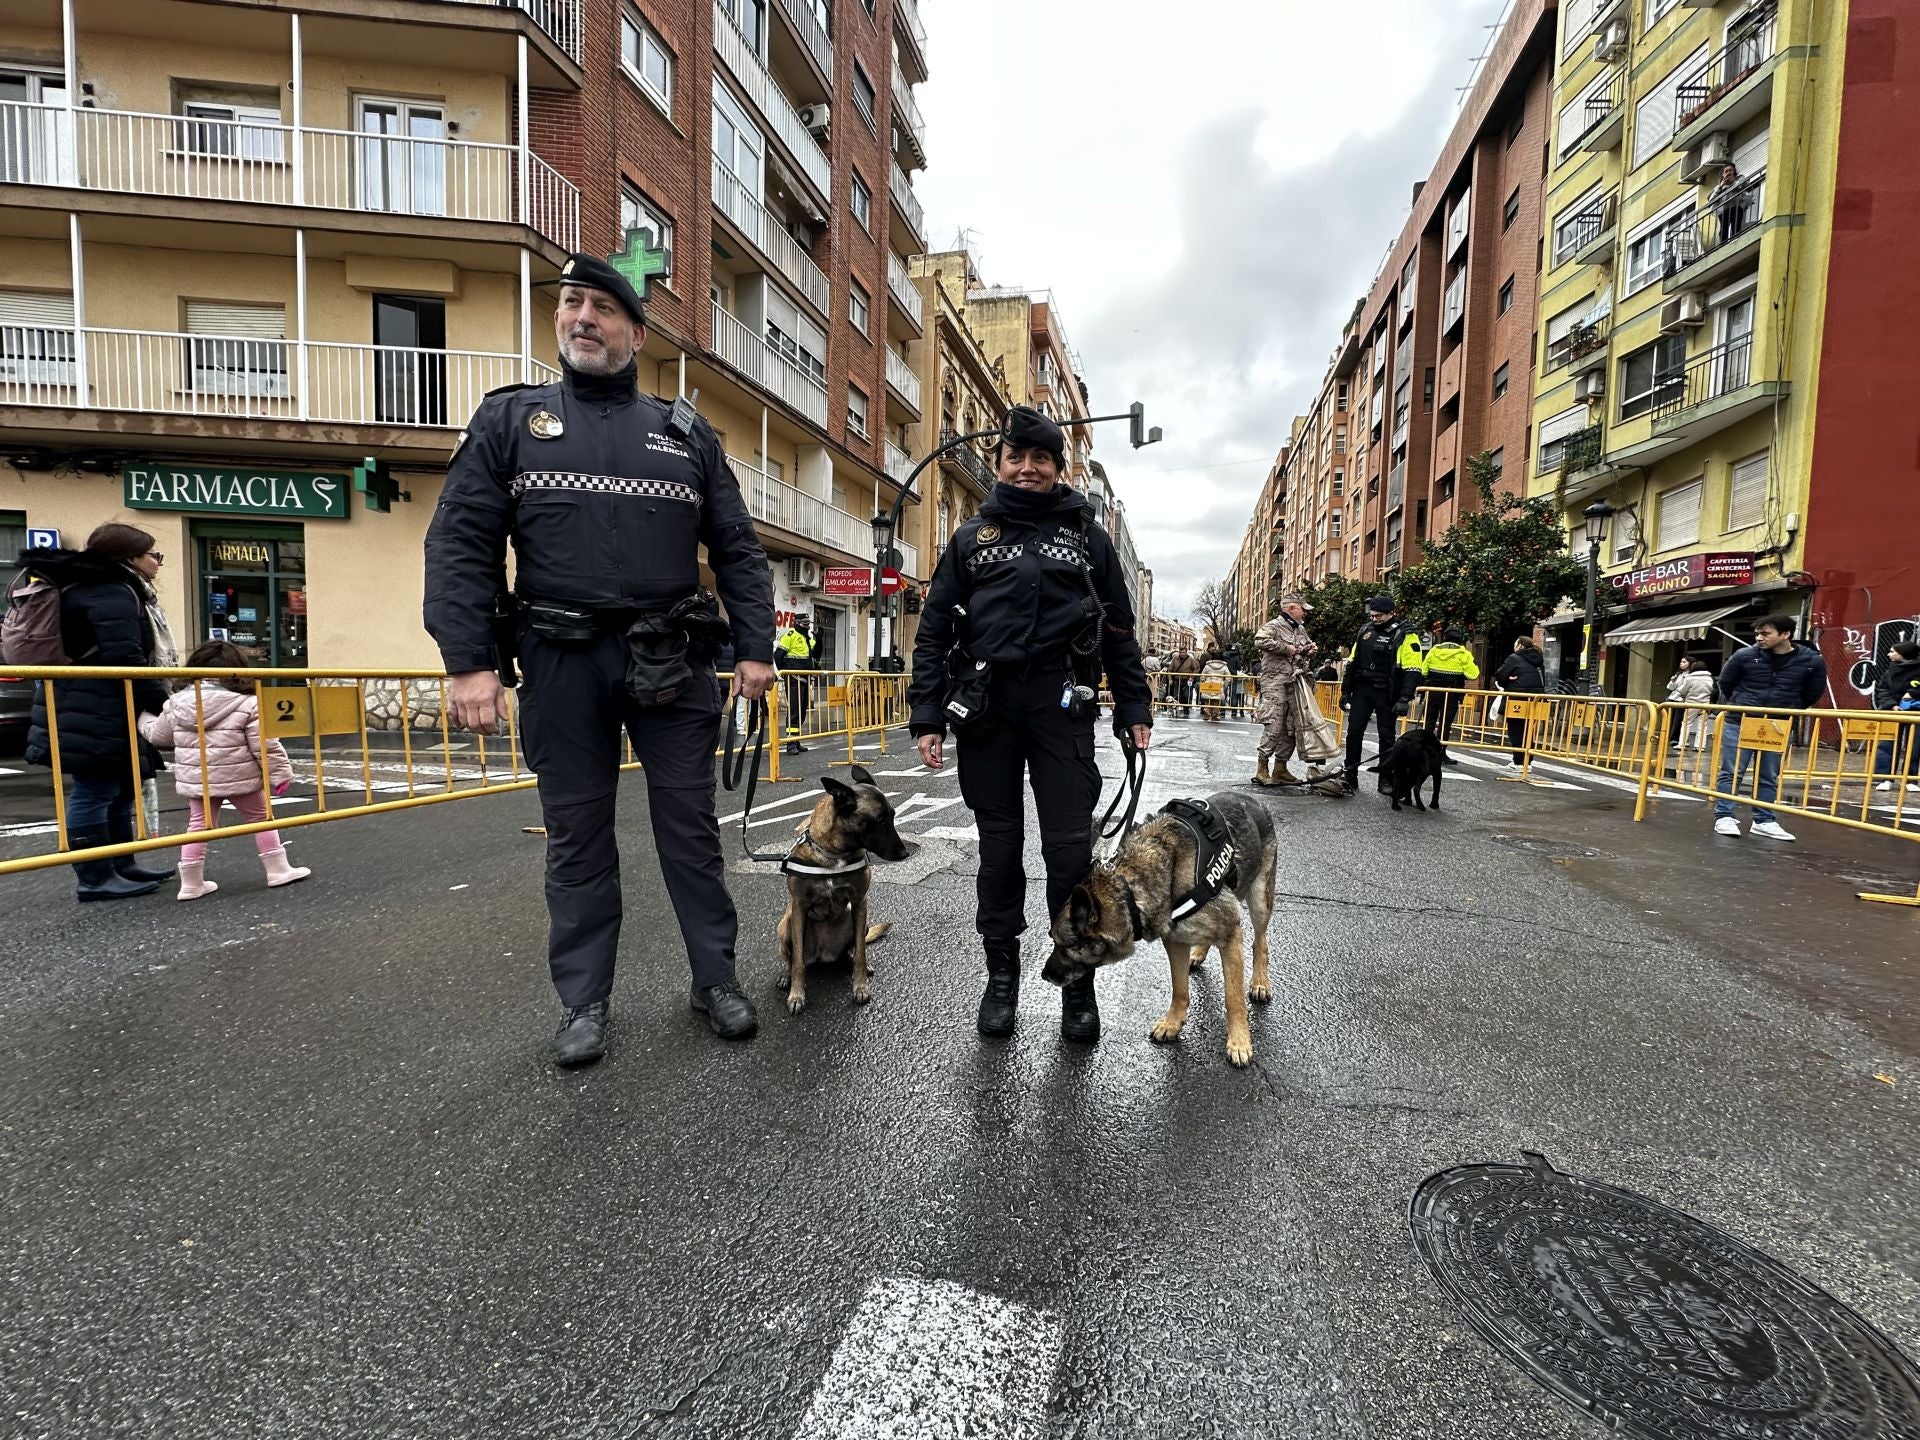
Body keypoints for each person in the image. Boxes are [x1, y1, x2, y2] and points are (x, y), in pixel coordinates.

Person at [424, 249, 776, 1065]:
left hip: (669, 659)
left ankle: (714, 977)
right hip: (558, 656)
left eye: (602, 308)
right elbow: (461, 543)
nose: (582, 318)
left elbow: (738, 548)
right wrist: (468, 660)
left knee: (690, 831)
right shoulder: (512, 421)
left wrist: (755, 648)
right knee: (577, 837)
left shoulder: (687, 434)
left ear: (636, 330)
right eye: (571, 304)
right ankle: (584, 1000)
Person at [908, 405, 1153, 1045]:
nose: (1026, 469)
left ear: (1056, 467)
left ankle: (1078, 986)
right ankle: (1001, 980)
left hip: (1059, 705)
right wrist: (927, 715)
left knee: (1069, 849)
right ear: (999, 465)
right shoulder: (970, 538)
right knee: (998, 847)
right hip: (988, 708)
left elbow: (1120, 631)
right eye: (1014, 457)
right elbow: (934, 631)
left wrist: (1135, 709)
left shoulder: (1087, 536)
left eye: (1039, 458)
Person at [21, 523, 177, 900]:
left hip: (97, 702)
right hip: (94, 704)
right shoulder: (110, 591)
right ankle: (94, 877)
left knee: (122, 785)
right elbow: (124, 657)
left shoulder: (104, 587)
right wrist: (164, 703)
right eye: (152, 555)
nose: (157, 562)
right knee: (96, 788)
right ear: (129, 558)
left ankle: (120, 865)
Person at [141, 640, 307, 899]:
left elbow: (160, 736)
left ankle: (191, 883)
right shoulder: (247, 703)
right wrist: (280, 774)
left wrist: (144, 720)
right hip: (240, 777)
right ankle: (278, 870)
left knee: (198, 825)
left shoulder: (177, 703)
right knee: (261, 818)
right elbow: (265, 745)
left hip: (198, 780)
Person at [1711, 614, 1828, 842]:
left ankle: (1764, 820)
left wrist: (1788, 707)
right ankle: (1724, 815)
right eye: (1757, 634)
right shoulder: (1745, 655)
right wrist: (1741, 702)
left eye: (1765, 634)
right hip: (1742, 719)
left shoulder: (1811, 660)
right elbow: (1726, 682)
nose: (1759, 638)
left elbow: (1813, 691)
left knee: (1769, 774)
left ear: (1785, 634)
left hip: (1777, 722)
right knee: (1732, 770)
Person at [1340, 594, 1425, 793]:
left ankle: (1386, 779)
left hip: (1387, 692)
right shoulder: (1365, 631)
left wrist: (1405, 698)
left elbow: (1413, 669)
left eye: (1379, 616)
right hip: (1362, 689)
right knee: (1353, 733)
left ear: (1391, 613)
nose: (1375, 619)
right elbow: (1352, 661)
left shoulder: (1406, 634)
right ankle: (1350, 774)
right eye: (1372, 615)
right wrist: (1345, 690)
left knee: (1386, 736)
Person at [1251, 595, 1318, 785]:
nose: (1305, 613)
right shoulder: (1273, 625)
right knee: (1274, 724)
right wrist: (1286, 649)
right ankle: (1262, 768)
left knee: (1291, 726)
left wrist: (1310, 650)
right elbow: (1260, 641)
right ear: (1290, 608)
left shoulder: (1300, 629)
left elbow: (1304, 647)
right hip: (1275, 683)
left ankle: (1281, 768)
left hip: (1295, 682)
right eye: (1302, 609)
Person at [1421, 628, 1480, 764]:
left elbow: (1424, 670)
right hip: (1452, 693)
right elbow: (1473, 674)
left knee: (1428, 722)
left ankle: (1424, 751)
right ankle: (1440, 753)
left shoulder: (1434, 651)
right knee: (1445, 724)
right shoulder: (1464, 654)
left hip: (1432, 692)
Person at [1491, 636, 1547, 776]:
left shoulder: (1514, 658)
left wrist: (1507, 681)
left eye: (1515, 643)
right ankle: (1527, 762)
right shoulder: (1538, 660)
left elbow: (1500, 675)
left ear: (1520, 645)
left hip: (1517, 699)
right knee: (1528, 731)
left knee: (1515, 730)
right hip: (1536, 700)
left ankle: (1518, 762)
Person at [1870, 640, 1920, 794]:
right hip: (1893, 711)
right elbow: (1882, 689)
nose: (1889, 654)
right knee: (1887, 745)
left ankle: (1911, 779)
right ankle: (1884, 778)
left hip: (1916, 712)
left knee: (1915, 746)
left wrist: (1912, 694)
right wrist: (1892, 705)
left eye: (1893, 651)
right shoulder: (1889, 671)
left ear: (1903, 654)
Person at [775, 615, 817, 755]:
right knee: (794, 711)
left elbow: (815, 654)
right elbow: (778, 655)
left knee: (802, 710)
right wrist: (784, 671)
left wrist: (820, 640)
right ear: (798, 623)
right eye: (805, 624)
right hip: (793, 678)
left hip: (805, 678)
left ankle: (797, 740)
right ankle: (790, 743)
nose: (808, 626)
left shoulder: (806, 638)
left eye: (808, 623)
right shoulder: (790, 635)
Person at [1666, 655, 1716, 751]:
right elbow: (1713, 690)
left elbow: (1682, 691)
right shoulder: (1710, 678)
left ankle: (1682, 744)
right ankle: (1700, 746)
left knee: (1686, 724)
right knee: (1702, 725)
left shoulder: (1690, 678)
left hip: (1691, 703)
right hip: (1705, 704)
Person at [1198, 650, 1232, 721]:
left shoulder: (1208, 666)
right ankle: (1215, 715)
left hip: (1208, 685)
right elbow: (1228, 677)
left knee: (1208, 701)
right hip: (1218, 686)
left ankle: (1207, 714)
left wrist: (1204, 682)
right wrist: (1224, 685)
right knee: (1216, 702)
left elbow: (1203, 676)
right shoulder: (1224, 667)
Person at [1167, 641, 1195, 715]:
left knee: (1186, 695)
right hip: (1177, 679)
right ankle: (1174, 711)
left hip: (1186, 680)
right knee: (1176, 695)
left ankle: (1186, 710)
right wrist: (1170, 679)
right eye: (1181, 652)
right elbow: (1170, 669)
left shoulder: (1190, 659)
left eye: (1184, 652)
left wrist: (1192, 677)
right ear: (1179, 652)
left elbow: (1196, 669)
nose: (1182, 653)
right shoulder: (1175, 658)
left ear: (1186, 652)